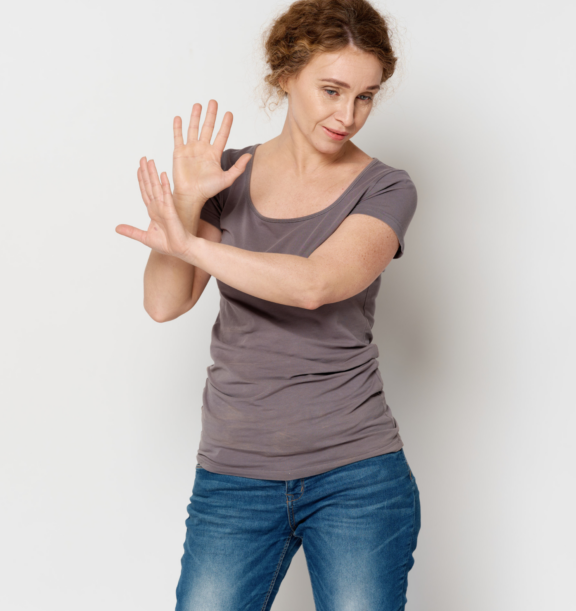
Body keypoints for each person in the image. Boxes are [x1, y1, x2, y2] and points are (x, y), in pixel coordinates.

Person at [115, 0, 421, 608]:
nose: (347, 115)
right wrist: (186, 205)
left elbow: (314, 285)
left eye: (365, 96)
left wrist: (193, 242)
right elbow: (163, 303)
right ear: (286, 75)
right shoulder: (226, 177)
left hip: (356, 477)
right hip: (233, 475)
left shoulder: (387, 188)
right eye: (331, 90)